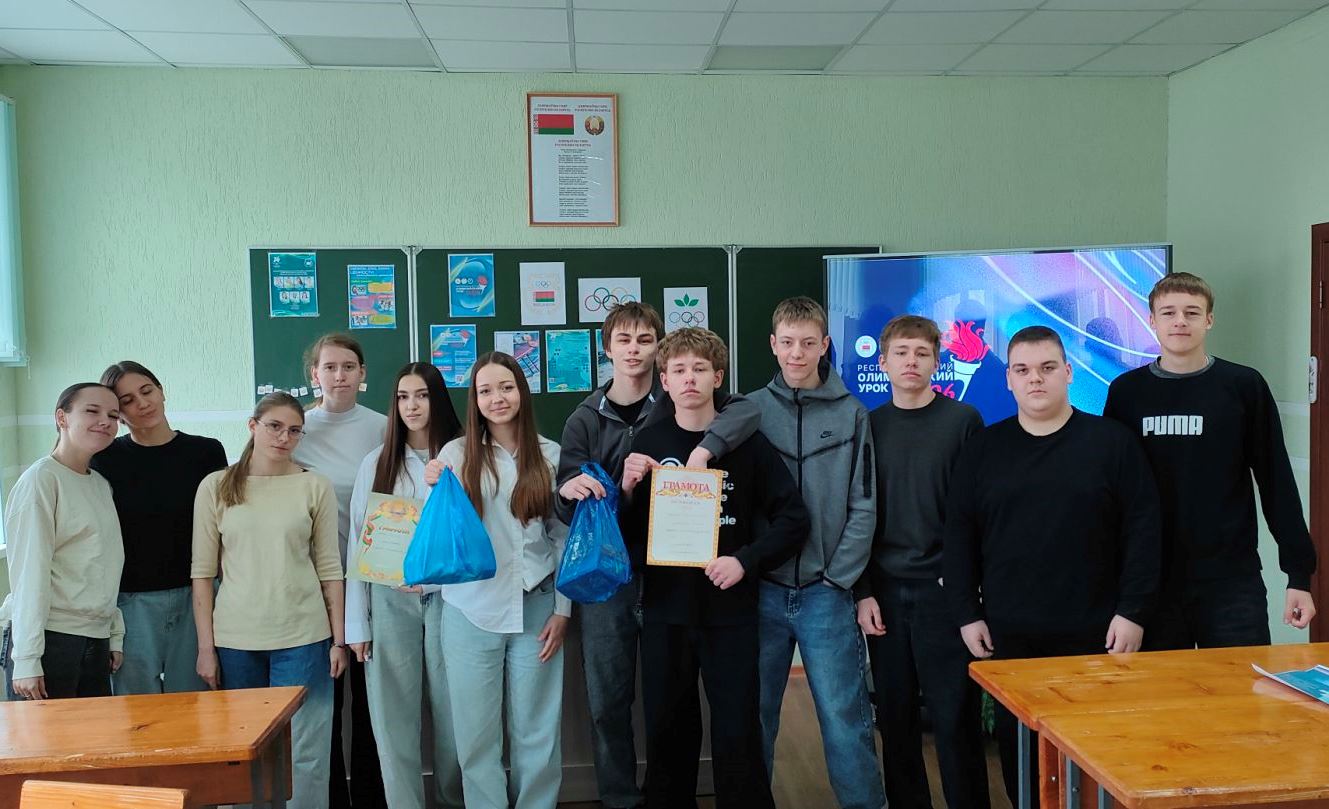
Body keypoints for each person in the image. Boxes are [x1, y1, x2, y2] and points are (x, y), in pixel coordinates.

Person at [943, 325, 1161, 805]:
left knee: (1099, 757)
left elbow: (1144, 533)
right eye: (1022, 370)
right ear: (1008, 379)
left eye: (1046, 368)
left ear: (1068, 372)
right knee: (1021, 760)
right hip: (1010, 634)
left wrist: (1133, 611)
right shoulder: (983, 449)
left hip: (1098, 633)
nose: (1035, 379)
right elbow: (958, 537)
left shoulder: (1112, 443)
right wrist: (966, 613)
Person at [555, 301, 760, 809]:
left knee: (675, 697)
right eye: (623, 340)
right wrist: (583, 490)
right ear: (607, 349)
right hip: (610, 576)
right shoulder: (584, 419)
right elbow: (565, 504)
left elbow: (747, 411)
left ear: (659, 351)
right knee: (609, 697)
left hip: (676, 573)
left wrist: (704, 449)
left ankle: (674, 790)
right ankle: (621, 797)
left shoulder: (681, 397)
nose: (634, 350)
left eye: (645, 340)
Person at [620, 327, 809, 809]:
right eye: (679, 370)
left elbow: (794, 520)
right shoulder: (648, 442)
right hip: (665, 611)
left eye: (700, 369)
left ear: (717, 377)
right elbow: (625, 538)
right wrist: (626, 491)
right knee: (667, 731)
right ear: (664, 380)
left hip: (731, 612)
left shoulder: (747, 444)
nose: (689, 379)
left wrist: (745, 560)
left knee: (737, 731)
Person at [1104, 272, 1317, 649]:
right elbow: (1111, 491)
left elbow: (1276, 483)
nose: (1180, 321)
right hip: (1152, 580)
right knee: (1163, 687)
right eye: (1168, 313)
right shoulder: (1126, 393)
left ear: (1209, 320)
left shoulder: (1244, 386)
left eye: (1192, 312)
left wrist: (1298, 575)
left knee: (1240, 685)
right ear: (1152, 320)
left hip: (1231, 580)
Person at [746, 297, 883, 809]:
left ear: (825, 344)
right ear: (772, 345)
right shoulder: (749, 411)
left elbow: (863, 505)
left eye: (808, 343)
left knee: (844, 719)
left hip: (826, 593)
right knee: (755, 715)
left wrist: (836, 578)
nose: (797, 353)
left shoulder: (852, 414)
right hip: (762, 590)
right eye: (787, 342)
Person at [423, 352, 569, 809]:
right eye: (485, 390)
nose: (497, 398)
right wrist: (433, 483)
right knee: (476, 735)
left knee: (537, 731)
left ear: (521, 391)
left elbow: (562, 538)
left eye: (506, 387)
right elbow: (440, 529)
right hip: (470, 609)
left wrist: (564, 610)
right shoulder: (455, 454)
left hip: (537, 606)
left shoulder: (550, 455)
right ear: (475, 399)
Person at [855, 315, 989, 809]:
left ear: (937, 361)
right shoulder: (868, 426)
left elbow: (975, 511)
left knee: (955, 720)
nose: (911, 361)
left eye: (922, 353)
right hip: (886, 595)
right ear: (884, 362)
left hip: (944, 593)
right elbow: (858, 515)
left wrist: (967, 589)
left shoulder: (963, 421)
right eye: (902, 352)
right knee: (896, 720)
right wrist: (863, 591)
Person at [191, 392, 346, 809]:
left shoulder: (314, 485)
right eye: (274, 426)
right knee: (242, 752)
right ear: (253, 426)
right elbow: (202, 574)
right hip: (236, 640)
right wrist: (206, 649)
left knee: (306, 750)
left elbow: (329, 567)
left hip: (304, 636)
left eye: (294, 431)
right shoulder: (216, 486)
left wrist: (338, 640)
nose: (284, 437)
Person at [346, 362, 464, 809]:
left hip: (451, 600)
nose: (411, 406)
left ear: (438, 399)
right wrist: (357, 624)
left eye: (422, 395)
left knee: (456, 715)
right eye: (402, 397)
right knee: (392, 718)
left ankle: (454, 801)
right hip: (389, 601)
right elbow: (357, 543)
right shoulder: (376, 462)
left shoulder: (463, 455)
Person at [292, 333, 388, 809]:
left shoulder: (383, 427)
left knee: (371, 704)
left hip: (373, 583)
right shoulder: (296, 430)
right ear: (315, 374)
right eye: (329, 367)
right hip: (315, 586)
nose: (339, 375)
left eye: (349, 366)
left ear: (362, 373)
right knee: (323, 704)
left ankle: (372, 798)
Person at [90, 361, 227, 695]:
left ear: (161, 391)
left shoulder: (206, 451)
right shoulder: (105, 459)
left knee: (197, 705)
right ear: (119, 414)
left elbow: (222, 527)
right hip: (130, 602)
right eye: (127, 401)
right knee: (136, 710)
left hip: (197, 595)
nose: (142, 403)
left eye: (147, 391)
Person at [1, 383, 125, 700]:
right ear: (62, 418)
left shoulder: (100, 484)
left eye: (113, 415)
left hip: (94, 640)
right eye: (92, 411)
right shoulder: (41, 480)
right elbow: (29, 574)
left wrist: (113, 633)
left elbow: (104, 563)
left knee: (95, 733)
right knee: (42, 733)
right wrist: (27, 659)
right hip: (50, 639)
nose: (105, 421)